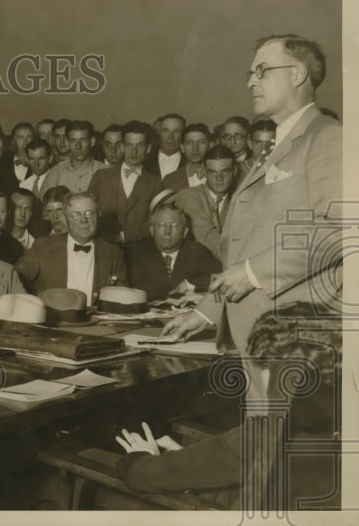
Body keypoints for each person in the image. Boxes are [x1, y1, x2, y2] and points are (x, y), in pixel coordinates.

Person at [163, 35, 342, 367]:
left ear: (298, 74)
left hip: (295, 339)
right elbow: (243, 253)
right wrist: (205, 314)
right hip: (259, 333)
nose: (250, 81)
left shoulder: (328, 136)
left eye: (262, 70)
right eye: (250, 73)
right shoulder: (274, 147)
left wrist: (253, 272)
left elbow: (337, 230)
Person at [117, 305, 339, 510]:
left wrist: (141, 457)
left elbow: (141, 476)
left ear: (271, 374)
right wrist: (188, 464)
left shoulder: (262, 437)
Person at [14, 192, 127, 303]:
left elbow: (122, 300)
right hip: (52, 319)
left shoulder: (113, 253)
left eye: (89, 213)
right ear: (66, 217)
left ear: (98, 215)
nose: (83, 220)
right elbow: (13, 278)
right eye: (76, 215)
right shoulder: (43, 247)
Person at [124, 199, 221, 301]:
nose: (167, 231)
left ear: (185, 232)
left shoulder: (198, 252)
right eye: (161, 225)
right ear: (152, 230)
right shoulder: (135, 253)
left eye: (174, 225)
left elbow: (220, 277)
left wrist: (189, 284)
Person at [86, 120, 162, 245]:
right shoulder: (101, 177)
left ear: (148, 148)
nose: (134, 151)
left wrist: (124, 236)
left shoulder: (155, 183)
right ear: (121, 146)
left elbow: (158, 222)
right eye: (129, 145)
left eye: (140, 145)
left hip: (139, 251)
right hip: (102, 247)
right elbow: (88, 211)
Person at [173, 144, 238, 261]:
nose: (219, 178)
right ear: (203, 171)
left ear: (235, 171)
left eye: (225, 171)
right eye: (212, 172)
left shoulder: (239, 199)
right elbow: (207, 238)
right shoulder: (188, 197)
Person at [43, 120, 107, 194]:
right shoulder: (55, 173)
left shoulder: (106, 172)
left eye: (83, 140)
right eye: (73, 141)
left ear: (92, 141)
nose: (78, 146)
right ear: (68, 142)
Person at [162, 123, 211, 192]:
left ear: (209, 146)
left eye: (201, 142)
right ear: (182, 147)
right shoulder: (169, 180)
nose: (195, 147)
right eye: (189, 143)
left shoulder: (219, 177)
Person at [144, 113, 186, 178]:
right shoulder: (144, 162)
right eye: (166, 131)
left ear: (184, 135)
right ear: (159, 133)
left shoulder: (191, 163)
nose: (170, 137)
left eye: (176, 131)